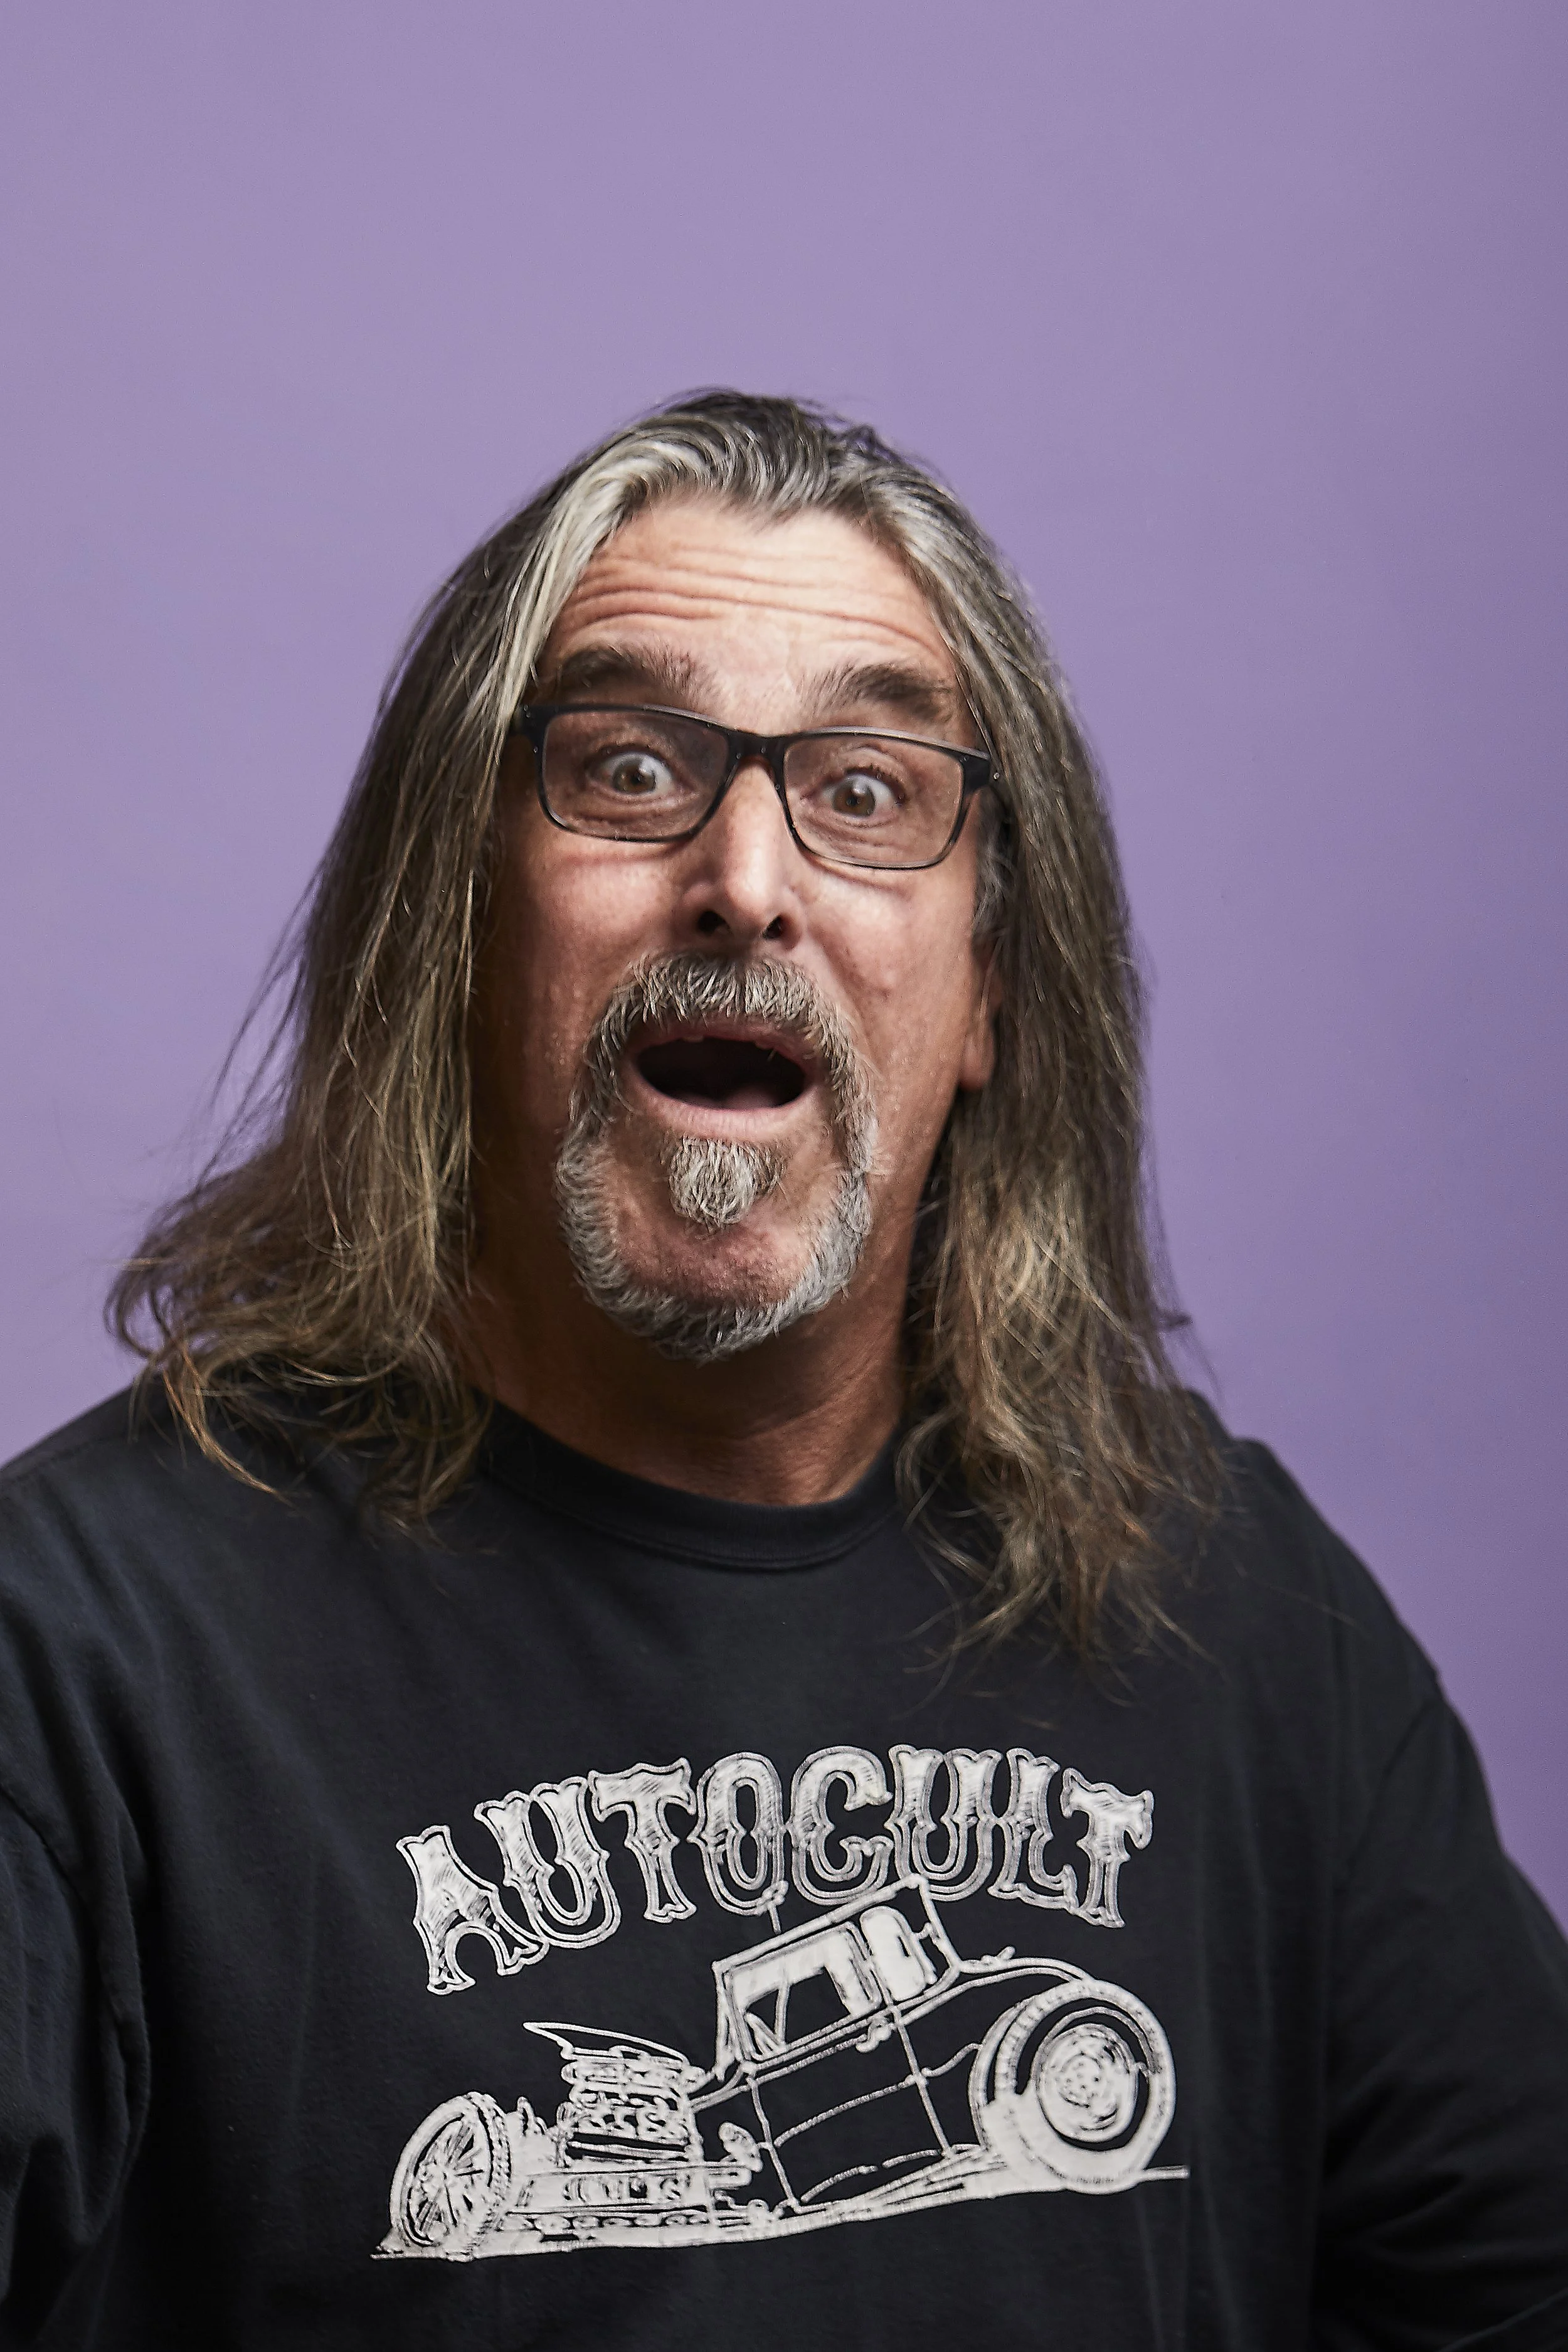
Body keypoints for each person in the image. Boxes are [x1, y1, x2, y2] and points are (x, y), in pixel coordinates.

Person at [1, 393, 1564, 2352]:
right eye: (630, 766)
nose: (747, 875)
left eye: (867, 787)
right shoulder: (75, 1655)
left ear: (987, 987)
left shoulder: (1236, 1609)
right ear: (458, 929)